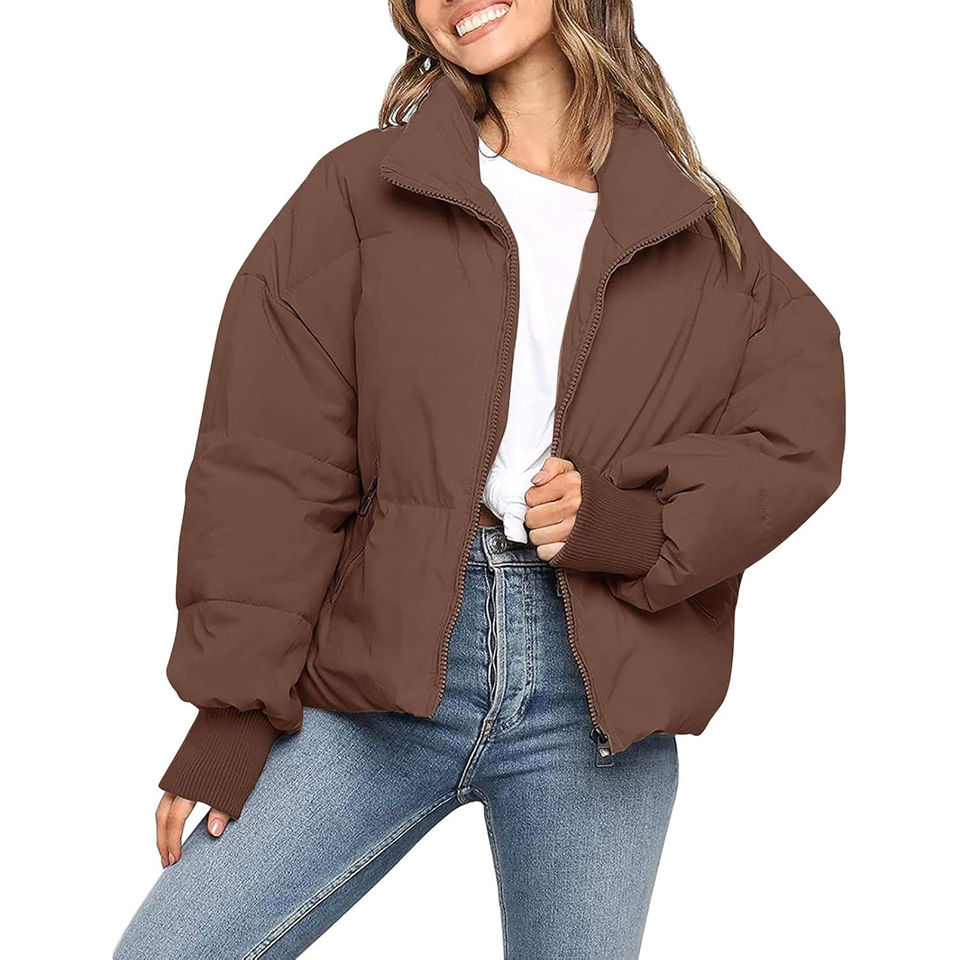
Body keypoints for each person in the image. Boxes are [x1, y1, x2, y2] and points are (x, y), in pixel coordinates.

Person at [114, 1, 846, 956]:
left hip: (597, 695)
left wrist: (631, 524)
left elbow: (795, 431)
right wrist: (232, 712)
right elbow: (270, 460)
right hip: (382, 661)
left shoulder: (694, 226)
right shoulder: (363, 192)